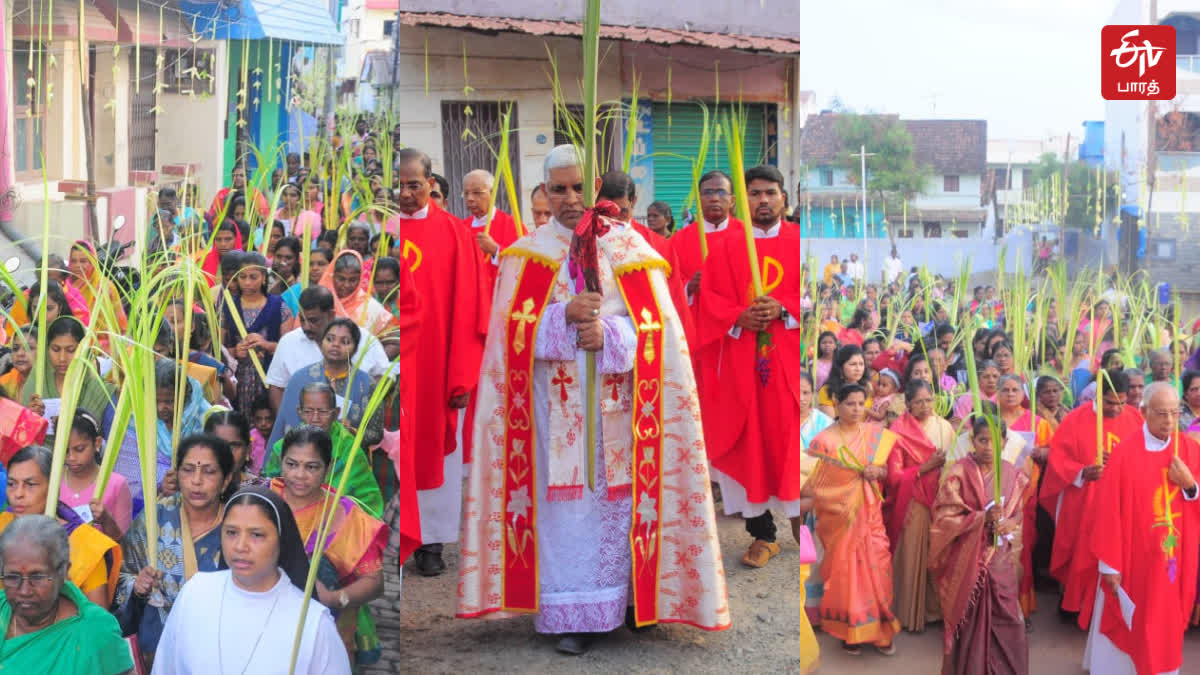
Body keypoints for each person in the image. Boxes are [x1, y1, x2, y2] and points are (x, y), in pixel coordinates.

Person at [457, 144, 730, 655]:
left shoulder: (630, 250)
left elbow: (662, 333)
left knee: (625, 506)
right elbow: (506, 341)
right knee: (568, 516)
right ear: (544, 191)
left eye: (579, 187)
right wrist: (561, 319)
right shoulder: (526, 253)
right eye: (558, 189)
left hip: (624, 412)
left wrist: (609, 333)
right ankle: (572, 615)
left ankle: (632, 603)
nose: (570, 198)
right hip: (553, 416)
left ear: (595, 188)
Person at [696, 163, 807, 568]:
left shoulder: (801, 242)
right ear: (744, 201)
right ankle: (763, 534)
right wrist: (738, 317)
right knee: (750, 443)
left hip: (789, 367)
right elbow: (709, 301)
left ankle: (803, 527)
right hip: (744, 368)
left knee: (789, 440)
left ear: (784, 199)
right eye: (755, 194)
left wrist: (785, 308)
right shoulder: (726, 248)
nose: (763, 200)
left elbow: (818, 300)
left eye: (770, 193)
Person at [384, 148, 488, 577]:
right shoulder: (382, 231)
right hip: (394, 363)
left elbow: (469, 309)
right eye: (400, 185)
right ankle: (395, 540)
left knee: (437, 455)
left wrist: (461, 375)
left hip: (436, 367)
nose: (406, 193)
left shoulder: (455, 234)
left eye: (414, 184)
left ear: (431, 183)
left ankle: (432, 543)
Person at [150, 486, 351, 674]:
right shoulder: (195, 592)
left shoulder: (313, 623)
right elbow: (165, 667)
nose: (240, 546)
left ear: (282, 541)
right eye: (231, 532)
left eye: (256, 534)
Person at [1084, 382, 1200, 675]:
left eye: (1175, 413)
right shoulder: (1125, 453)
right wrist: (1109, 565)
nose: (1170, 422)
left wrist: (1189, 485)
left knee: (1165, 624)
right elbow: (1108, 511)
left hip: (1173, 558)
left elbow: (1195, 497)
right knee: (1128, 621)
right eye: (1161, 414)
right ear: (1144, 412)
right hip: (1133, 559)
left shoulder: (1188, 449)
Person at [114, 434, 234, 665]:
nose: (196, 481)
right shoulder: (154, 516)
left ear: (226, 480)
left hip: (215, 651)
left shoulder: (237, 526)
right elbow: (121, 574)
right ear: (176, 474)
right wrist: (137, 587)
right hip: (153, 649)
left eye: (209, 472)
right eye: (188, 470)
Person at [271, 426, 386, 667]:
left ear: (329, 467)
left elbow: (374, 583)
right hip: (267, 632)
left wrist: (334, 598)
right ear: (281, 461)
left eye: (311, 467)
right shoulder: (263, 501)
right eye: (291, 464)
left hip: (327, 634)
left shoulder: (346, 516)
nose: (299, 475)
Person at [1040, 368, 1142, 628]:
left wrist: (1123, 463)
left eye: (1122, 401)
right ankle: (1075, 605)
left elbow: (1145, 458)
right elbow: (1058, 458)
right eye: (1110, 402)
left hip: (1120, 501)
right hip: (1084, 500)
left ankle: (1112, 607)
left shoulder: (1136, 419)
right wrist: (1082, 471)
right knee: (1081, 552)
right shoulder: (1075, 419)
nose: (1117, 409)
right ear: (1098, 395)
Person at [929, 415, 1029, 675]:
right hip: (968, 562)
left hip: (1000, 560)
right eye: (982, 440)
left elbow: (1018, 512)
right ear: (972, 441)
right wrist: (981, 518)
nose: (988, 447)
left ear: (1005, 442)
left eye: (995, 441)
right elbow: (943, 517)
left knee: (1007, 615)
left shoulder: (1010, 473)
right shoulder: (959, 472)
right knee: (970, 619)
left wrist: (1009, 522)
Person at [805, 383, 900, 654]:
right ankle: (850, 631)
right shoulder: (824, 441)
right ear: (836, 403)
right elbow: (816, 486)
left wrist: (876, 473)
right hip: (840, 521)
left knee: (878, 572)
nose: (857, 409)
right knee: (846, 576)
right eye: (850, 404)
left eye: (861, 403)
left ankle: (881, 631)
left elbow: (886, 474)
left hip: (871, 520)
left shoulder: (875, 435)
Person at [0, 515, 134, 675]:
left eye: (37, 577)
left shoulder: (95, 632)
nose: (24, 591)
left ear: (63, 573)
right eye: (13, 577)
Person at [3, 443, 124, 613]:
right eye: (12, 484)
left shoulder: (86, 546)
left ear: (54, 486)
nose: (18, 494)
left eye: (30, 484)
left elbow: (98, 624)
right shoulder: (3, 525)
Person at [886, 379, 955, 633]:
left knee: (939, 556)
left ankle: (935, 611)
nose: (925, 406)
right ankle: (909, 614)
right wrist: (925, 468)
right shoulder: (897, 430)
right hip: (913, 501)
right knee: (914, 555)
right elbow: (893, 476)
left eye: (929, 400)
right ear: (908, 404)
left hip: (943, 500)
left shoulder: (945, 427)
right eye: (919, 401)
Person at [262, 383, 383, 517]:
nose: (315, 419)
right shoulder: (282, 447)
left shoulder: (348, 448)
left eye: (323, 412)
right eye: (308, 412)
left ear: (336, 413)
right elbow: (271, 489)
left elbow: (368, 502)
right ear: (299, 412)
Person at [267, 319, 380, 451]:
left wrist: (352, 432)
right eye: (330, 339)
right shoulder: (300, 379)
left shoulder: (366, 384)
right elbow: (284, 426)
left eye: (345, 342)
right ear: (322, 343)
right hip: (303, 457)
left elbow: (376, 433)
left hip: (348, 462)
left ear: (355, 348)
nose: (335, 345)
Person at [997, 372, 1051, 622]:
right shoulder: (990, 420)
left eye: (1014, 390)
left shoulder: (1036, 423)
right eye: (1005, 390)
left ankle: (1022, 607)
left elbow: (1053, 450)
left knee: (1022, 552)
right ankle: (996, 607)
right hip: (995, 498)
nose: (1010, 394)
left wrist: (1042, 452)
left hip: (1025, 498)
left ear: (1023, 394)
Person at [21, 317, 116, 448]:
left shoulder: (99, 391)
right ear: (46, 350)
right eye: (55, 349)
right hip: (40, 461)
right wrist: (31, 418)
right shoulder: (35, 386)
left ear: (83, 350)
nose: (62, 358)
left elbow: (109, 441)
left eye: (71, 350)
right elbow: (21, 437)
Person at [223, 252, 291, 412]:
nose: (247, 282)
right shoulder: (227, 307)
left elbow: (289, 348)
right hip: (237, 381)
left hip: (270, 379)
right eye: (242, 277)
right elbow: (218, 348)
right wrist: (234, 351)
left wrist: (266, 345)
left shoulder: (279, 306)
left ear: (264, 278)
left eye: (253, 277)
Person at [668, 170, 741, 309]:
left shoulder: (748, 235)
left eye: (721, 192)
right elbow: (667, 282)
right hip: (696, 320)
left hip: (738, 323)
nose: (714, 198)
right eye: (707, 193)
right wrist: (689, 286)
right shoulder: (678, 240)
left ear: (732, 200)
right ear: (698, 199)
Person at [60, 410, 132, 539]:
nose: (71, 457)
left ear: (97, 443)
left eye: (79, 449)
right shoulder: (53, 479)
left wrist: (106, 520)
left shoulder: (116, 484)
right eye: (65, 451)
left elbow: (124, 544)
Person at [460, 169, 520, 285]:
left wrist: (495, 250)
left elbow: (524, 266)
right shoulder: (461, 228)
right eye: (466, 193)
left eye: (477, 193)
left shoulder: (512, 226)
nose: (470, 198)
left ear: (492, 193)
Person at [68, 240, 128, 334]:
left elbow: (120, 322)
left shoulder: (105, 287)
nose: (77, 265)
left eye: (83, 261)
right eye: (73, 261)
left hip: (102, 344)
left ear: (92, 262)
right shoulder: (66, 287)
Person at [204, 409, 269, 488]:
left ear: (248, 449)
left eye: (233, 446)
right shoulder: (193, 487)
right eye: (217, 446)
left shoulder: (259, 490)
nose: (226, 454)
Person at [817, 344, 871, 417]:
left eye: (861, 364)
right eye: (853, 364)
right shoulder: (828, 390)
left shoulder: (868, 388)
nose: (858, 369)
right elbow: (829, 423)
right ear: (840, 367)